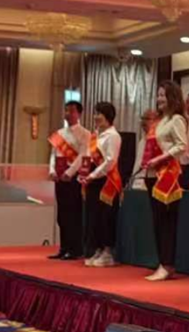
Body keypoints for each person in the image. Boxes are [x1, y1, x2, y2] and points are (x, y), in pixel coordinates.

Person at [144, 81, 188, 281]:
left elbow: (181, 146)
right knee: (157, 221)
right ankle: (162, 262)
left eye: (163, 95)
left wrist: (161, 158)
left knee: (166, 222)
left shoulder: (177, 120)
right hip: (153, 174)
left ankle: (167, 264)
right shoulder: (159, 121)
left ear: (173, 97)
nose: (159, 99)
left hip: (168, 176)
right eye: (158, 95)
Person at [80, 102, 122, 268]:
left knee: (106, 216)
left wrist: (93, 175)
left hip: (107, 181)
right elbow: (88, 157)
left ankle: (108, 251)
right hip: (93, 180)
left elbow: (110, 161)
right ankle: (97, 248)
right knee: (94, 216)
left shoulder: (113, 136)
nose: (96, 117)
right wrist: (84, 173)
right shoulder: (95, 136)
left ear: (108, 116)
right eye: (95, 113)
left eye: (99, 114)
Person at [47, 101, 90, 260]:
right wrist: (52, 170)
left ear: (79, 114)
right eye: (66, 110)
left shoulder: (85, 134)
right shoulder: (59, 133)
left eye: (72, 111)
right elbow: (53, 154)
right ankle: (63, 247)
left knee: (73, 214)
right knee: (62, 214)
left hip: (73, 178)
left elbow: (83, 155)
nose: (68, 114)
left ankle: (75, 249)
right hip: (59, 177)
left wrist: (70, 172)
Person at [131, 109, 159, 188]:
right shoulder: (142, 141)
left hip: (153, 179)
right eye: (142, 118)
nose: (143, 122)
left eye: (147, 119)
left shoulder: (158, 139)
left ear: (156, 121)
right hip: (138, 179)